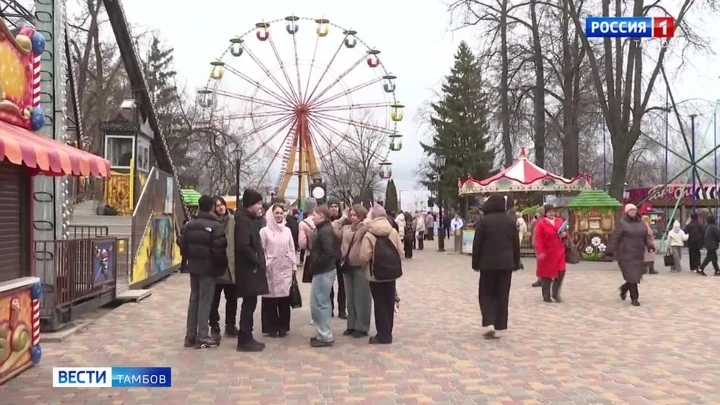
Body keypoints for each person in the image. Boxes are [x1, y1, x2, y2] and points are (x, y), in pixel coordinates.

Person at [350, 205, 403, 345]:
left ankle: (381, 335)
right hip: (391, 273)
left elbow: (364, 256)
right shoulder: (392, 231)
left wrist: (364, 263)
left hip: (375, 274)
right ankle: (388, 334)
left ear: (373, 216)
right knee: (389, 302)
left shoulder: (369, 233)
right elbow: (400, 251)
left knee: (379, 303)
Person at [181, 195, 228, 349]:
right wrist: (221, 266)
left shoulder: (189, 225)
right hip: (209, 269)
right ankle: (202, 336)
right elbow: (220, 250)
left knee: (194, 299)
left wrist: (189, 259)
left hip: (193, 267)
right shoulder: (216, 226)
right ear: (212, 207)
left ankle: (190, 335)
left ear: (200, 206)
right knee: (205, 301)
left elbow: (183, 245)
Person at [471, 194, 520, 339]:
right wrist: (516, 262)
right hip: (506, 264)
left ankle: (489, 322)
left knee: (486, 294)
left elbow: (477, 244)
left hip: (487, 264)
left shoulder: (484, 221)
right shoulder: (510, 221)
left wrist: (475, 263)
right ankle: (499, 325)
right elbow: (515, 244)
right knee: (502, 295)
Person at [234, 188, 270, 352]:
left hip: (251, 267)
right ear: (250, 204)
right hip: (249, 269)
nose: (260, 207)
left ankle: (247, 335)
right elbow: (243, 245)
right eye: (258, 203)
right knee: (249, 303)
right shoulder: (243, 221)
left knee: (251, 302)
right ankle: (245, 338)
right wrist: (256, 261)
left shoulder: (248, 219)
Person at [333, 205, 371, 338]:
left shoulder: (365, 229)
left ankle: (362, 327)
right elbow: (333, 229)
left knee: (362, 298)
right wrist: (342, 218)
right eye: (351, 215)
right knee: (350, 298)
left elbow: (370, 225)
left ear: (361, 216)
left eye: (355, 215)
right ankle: (351, 325)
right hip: (347, 266)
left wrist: (366, 221)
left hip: (360, 266)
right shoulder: (346, 228)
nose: (353, 217)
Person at [259, 204, 297, 337]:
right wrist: (265, 265)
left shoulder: (287, 231)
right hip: (271, 268)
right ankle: (271, 327)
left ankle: (283, 326)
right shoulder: (264, 231)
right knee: (270, 298)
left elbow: (292, 248)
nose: (279, 216)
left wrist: (294, 265)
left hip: (285, 267)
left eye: (281, 213)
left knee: (284, 298)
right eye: (277, 213)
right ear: (271, 214)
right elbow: (262, 250)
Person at [607, 204, 654, 306]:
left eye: (634, 210)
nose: (633, 211)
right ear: (626, 212)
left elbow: (646, 236)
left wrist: (650, 245)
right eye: (631, 210)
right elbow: (615, 237)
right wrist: (610, 250)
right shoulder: (622, 223)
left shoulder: (641, 223)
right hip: (625, 254)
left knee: (637, 276)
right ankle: (635, 298)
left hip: (638, 253)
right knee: (632, 276)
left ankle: (624, 288)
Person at [308, 206, 339, 347]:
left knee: (320, 303)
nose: (312, 217)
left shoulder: (325, 231)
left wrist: (316, 264)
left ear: (321, 215)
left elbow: (328, 252)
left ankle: (325, 335)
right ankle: (322, 333)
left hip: (324, 270)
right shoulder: (324, 229)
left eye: (314, 214)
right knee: (318, 302)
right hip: (323, 270)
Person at [209, 196, 237, 340]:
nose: (220, 207)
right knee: (214, 300)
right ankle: (214, 325)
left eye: (222, 204)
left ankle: (230, 325)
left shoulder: (232, 220)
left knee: (232, 299)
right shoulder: (211, 222)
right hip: (217, 267)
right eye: (217, 205)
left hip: (231, 266)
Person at [533, 204, 567, 303]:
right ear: (546, 213)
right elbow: (538, 238)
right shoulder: (541, 224)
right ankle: (546, 295)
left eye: (553, 211)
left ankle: (555, 293)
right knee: (546, 275)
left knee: (561, 272)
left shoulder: (559, 221)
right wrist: (540, 251)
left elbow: (565, 233)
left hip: (559, 251)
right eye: (549, 212)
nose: (552, 213)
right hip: (547, 252)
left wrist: (564, 234)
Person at [327, 199, 347, 319]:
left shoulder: (344, 222)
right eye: (332, 206)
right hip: (330, 256)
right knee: (329, 285)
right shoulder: (326, 221)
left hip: (341, 256)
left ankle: (342, 310)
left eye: (336, 206)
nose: (334, 208)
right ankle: (330, 309)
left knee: (342, 285)